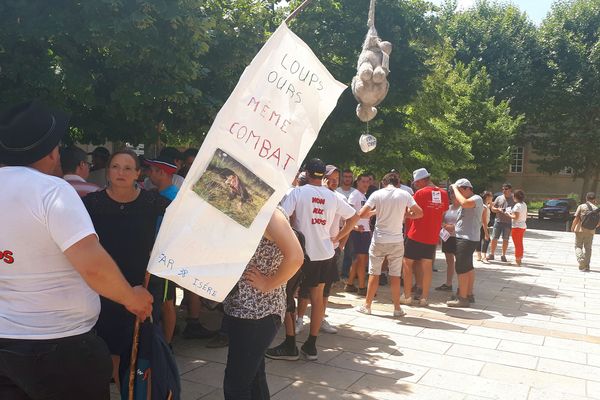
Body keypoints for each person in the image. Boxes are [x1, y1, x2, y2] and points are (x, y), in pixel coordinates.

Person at [0, 100, 153, 399]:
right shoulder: (51, 191)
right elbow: (91, 264)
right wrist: (131, 297)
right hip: (60, 345)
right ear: (49, 151)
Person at [83, 149, 170, 388]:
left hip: (140, 287)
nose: (121, 172)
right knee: (105, 348)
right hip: (104, 286)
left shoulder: (153, 202)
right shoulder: (91, 204)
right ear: (108, 171)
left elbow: (182, 224)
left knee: (135, 354)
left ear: (138, 174)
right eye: (115, 167)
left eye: (128, 168)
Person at [267, 158, 359, 361]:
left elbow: (281, 216)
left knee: (288, 296)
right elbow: (355, 216)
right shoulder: (333, 196)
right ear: (323, 176)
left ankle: (290, 344)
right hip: (325, 254)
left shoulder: (297, 192)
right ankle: (311, 345)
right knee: (318, 300)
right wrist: (340, 235)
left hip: (301, 254)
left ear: (307, 173)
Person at [222, 208, 303, 400]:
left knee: (236, 385)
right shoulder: (254, 208)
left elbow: (296, 257)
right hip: (244, 310)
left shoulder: (270, 213)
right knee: (254, 378)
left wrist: (268, 283)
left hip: (257, 313)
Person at [354, 172, 423, 317]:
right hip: (397, 240)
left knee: (374, 273)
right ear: (398, 183)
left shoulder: (377, 194)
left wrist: (374, 212)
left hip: (379, 239)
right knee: (395, 275)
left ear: (384, 182)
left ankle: (367, 305)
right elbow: (419, 213)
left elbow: (361, 214)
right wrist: (406, 215)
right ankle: (397, 308)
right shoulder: (404, 195)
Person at [296, 165, 349, 335]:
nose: (334, 182)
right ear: (323, 177)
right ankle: (300, 319)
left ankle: (320, 319)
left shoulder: (339, 197)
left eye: (336, 179)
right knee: (304, 291)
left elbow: (351, 218)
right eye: (331, 179)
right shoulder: (317, 194)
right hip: (311, 250)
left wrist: (341, 239)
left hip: (330, 250)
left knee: (324, 292)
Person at [144, 155, 180, 345]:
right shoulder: (157, 194)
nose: (148, 173)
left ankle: (167, 345)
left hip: (165, 258)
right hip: (155, 257)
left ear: (161, 173)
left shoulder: (173, 198)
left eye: (151, 170)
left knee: (167, 302)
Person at [402, 168, 449, 306]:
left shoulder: (420, 193)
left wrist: (405, 214)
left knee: (407, 263)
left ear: (423, 180)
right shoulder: (444, 193)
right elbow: (443, 212)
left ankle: (406, 296)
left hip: (416, 234)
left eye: (416, 182)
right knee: (427, 266)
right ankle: (424, 298)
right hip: (432, 236)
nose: (415, 185)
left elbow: (413, 211)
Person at [447, 179, 484, 308]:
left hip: (467, 238)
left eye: (459, 190)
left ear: (467, 188)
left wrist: (455, 188)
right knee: (468, 267)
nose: (457, 194)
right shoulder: (469, 200)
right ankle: (468, 294)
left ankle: (462, 298)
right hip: (465, 237)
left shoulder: (476, 198)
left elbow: (465, 203)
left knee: (461, 268)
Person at [345, 174, 372, 295]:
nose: (366, 184)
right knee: (361, 260)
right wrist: (354, 227)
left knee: (358, 260)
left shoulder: (363, 196)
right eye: (363, 181)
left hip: (365, 232)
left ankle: (349, 284)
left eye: (367, 181)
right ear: (358, 182)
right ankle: (362, 287)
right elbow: (348, 211)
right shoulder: (355, 194)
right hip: (358, 233)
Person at [436, 190, 460, 292]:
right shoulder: (448, 208)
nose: (452, 195)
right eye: (451, 194)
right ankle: (448, 283)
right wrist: (444, 226)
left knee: (460, 262)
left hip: (459, 237)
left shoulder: (463, 209)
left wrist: (453, 227)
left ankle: (461, 286)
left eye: (455, 194)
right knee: (449, 261)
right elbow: (440, 220)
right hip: (447, 237)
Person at [571, 192, 599, 271]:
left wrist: (572, 227)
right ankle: (586, 266)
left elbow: (576, 218)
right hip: (591, 231)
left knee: (578, 246)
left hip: (580, 230)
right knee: (588, 248)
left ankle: (581, 260)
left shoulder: (581, 206)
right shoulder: (597, 209)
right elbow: (598, 223)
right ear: (594, 200)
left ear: (586, 198)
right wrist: (592, 227)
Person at [489, 183, 515, 262]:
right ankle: (491, 254)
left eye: (506, 189)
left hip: (508, 222)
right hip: (498, 221)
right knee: (494, 238)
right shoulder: (499, 198)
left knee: (505, 239)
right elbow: (492, 208)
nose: (504, 191)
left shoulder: (514, 198)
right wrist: (498, 210)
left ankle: (503, 255)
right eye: (503, 189)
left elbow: (517, 210)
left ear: (510, 190)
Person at [508, 190, 527, 266]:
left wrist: (508, 214)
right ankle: (519, 258)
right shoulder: (524, 204)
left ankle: (517, 260)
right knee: (520, 243)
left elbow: (515, 217)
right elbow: (526, 214)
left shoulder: (517, 206)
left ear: (515, 197)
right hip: (522, 226)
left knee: (517, 244)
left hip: (517, 227)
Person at [476, 191, 494, 263]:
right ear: (487, 197)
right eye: (491, 196)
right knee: (487, 239)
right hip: (483, 225)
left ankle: (479, 256)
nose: (492, 197)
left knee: (479, 240)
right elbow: (484, 221)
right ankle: (483, 257)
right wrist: (486, 232)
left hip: (478, 225)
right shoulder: (485, 207)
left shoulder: (483, 205)